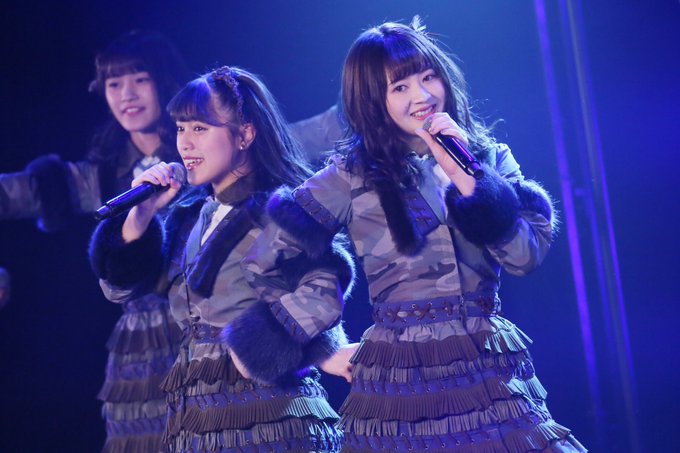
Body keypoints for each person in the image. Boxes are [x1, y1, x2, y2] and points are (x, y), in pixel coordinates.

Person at [246, 18, 587, 452]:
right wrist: (322, 348)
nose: (422, 95)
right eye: (400, 87)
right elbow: (265, 259)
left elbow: (524, 257)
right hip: (399, 384)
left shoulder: (489, 159)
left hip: (488, 373)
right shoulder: (349, 176)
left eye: (429, 77)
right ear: (374, 100)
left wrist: (467, 176)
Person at [89, 66, 353, 452]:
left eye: (200, 128)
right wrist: (141, 215)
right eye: (180, 128)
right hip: (198, 417)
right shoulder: (187, 216)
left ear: (244, 135)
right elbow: (117, 290)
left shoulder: (283, 210)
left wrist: (265, 345)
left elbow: (326, 283)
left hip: (270, 418)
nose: (185, 143)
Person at [0, 30, 190, 452]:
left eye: (139, 79)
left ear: (163, 80)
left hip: (210, 328)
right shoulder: (100, 175)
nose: (127, 94)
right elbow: (13, 194)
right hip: (142, 350)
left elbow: (302, 136)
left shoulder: (204, 151)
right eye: (113, 83)